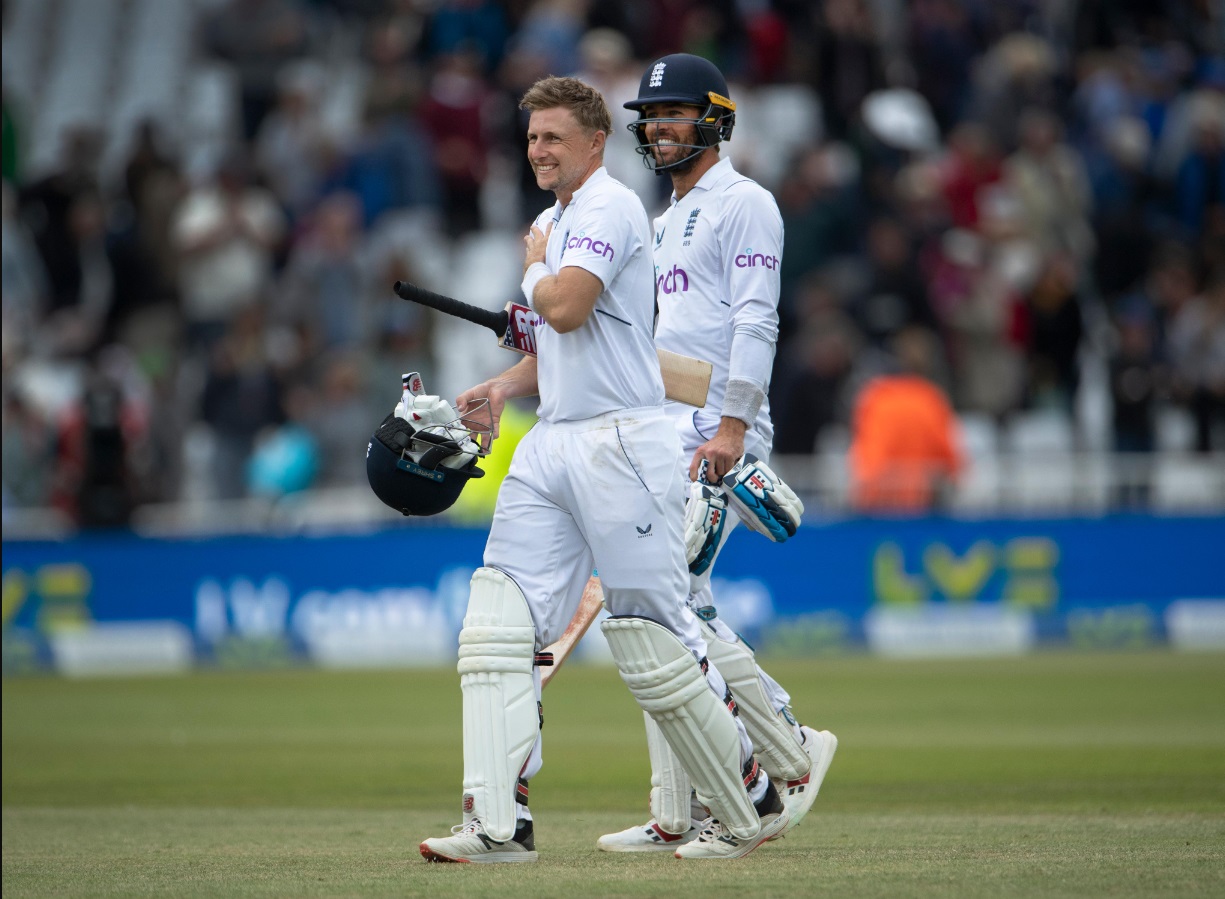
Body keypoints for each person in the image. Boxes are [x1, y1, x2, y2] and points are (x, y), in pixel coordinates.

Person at [418, 75, 789, 864]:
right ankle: (496, 824)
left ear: (593, 143)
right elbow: (559, 341)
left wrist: (533, 272)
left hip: (620, 442)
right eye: (530, 138)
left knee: (653, 634)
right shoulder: (557, 224)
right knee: (494, 628)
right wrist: (500, 386)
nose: (538, 151)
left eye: (553, 137)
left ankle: (751, 794)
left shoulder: (608, 209)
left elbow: (566, 306)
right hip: (554, 437)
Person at [594, 54, 838, 853]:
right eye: (649, 116)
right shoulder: (659, 221)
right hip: (664, 432)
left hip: (718, 433)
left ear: (715, 120)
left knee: (669, 612)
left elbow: (754, 322)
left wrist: (732, 427)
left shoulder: (745, 203)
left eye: (673, 113)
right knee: (662, 610)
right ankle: (681, 808)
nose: (658, 128)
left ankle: (790, 754)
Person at [849, 325, 965, 511]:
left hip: (878, 502)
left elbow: (865, 456)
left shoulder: (874, 396)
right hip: (921, 503)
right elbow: (949, 458)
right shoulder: (932, 399)